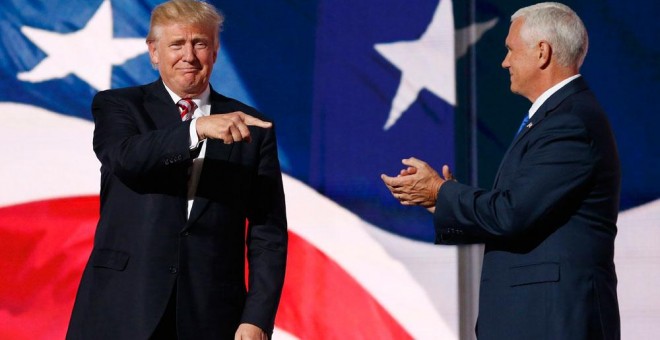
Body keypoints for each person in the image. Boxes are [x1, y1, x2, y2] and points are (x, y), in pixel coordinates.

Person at [381, 2, 620, 339]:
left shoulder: (569, 123)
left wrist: (442, 192)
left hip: (551, 321)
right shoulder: (557, 118)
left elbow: (512, 213)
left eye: (510, 49)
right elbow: (522, 214)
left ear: (542, 52)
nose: (504, 61)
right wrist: (440, 202)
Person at [66, 1, 287, 339]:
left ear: (214, 52)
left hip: (211, 314)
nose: (189, 55)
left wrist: (256, 318)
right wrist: (196, 129)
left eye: (200, 43)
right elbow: (127, 158)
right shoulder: (118, 106)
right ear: (154, 52)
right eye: (176, 44)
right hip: (122, 308)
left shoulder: (252, 125)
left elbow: (267, 233)